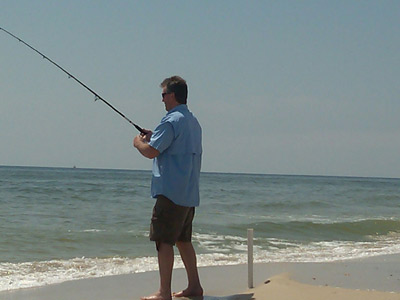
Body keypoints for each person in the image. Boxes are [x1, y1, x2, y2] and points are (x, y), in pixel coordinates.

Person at [133, 76, 203, 300]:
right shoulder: (193, 122)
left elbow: (151, 151)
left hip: (171, 193)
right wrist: (154, 137)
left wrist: (138, 142)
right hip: (188, 193)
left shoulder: (171, 121)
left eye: (163, 95)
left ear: (172, 95)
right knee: (183, 240)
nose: (161, 100)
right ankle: (194, 287)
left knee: (164, 241)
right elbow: (169, 144)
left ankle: (164, 293)